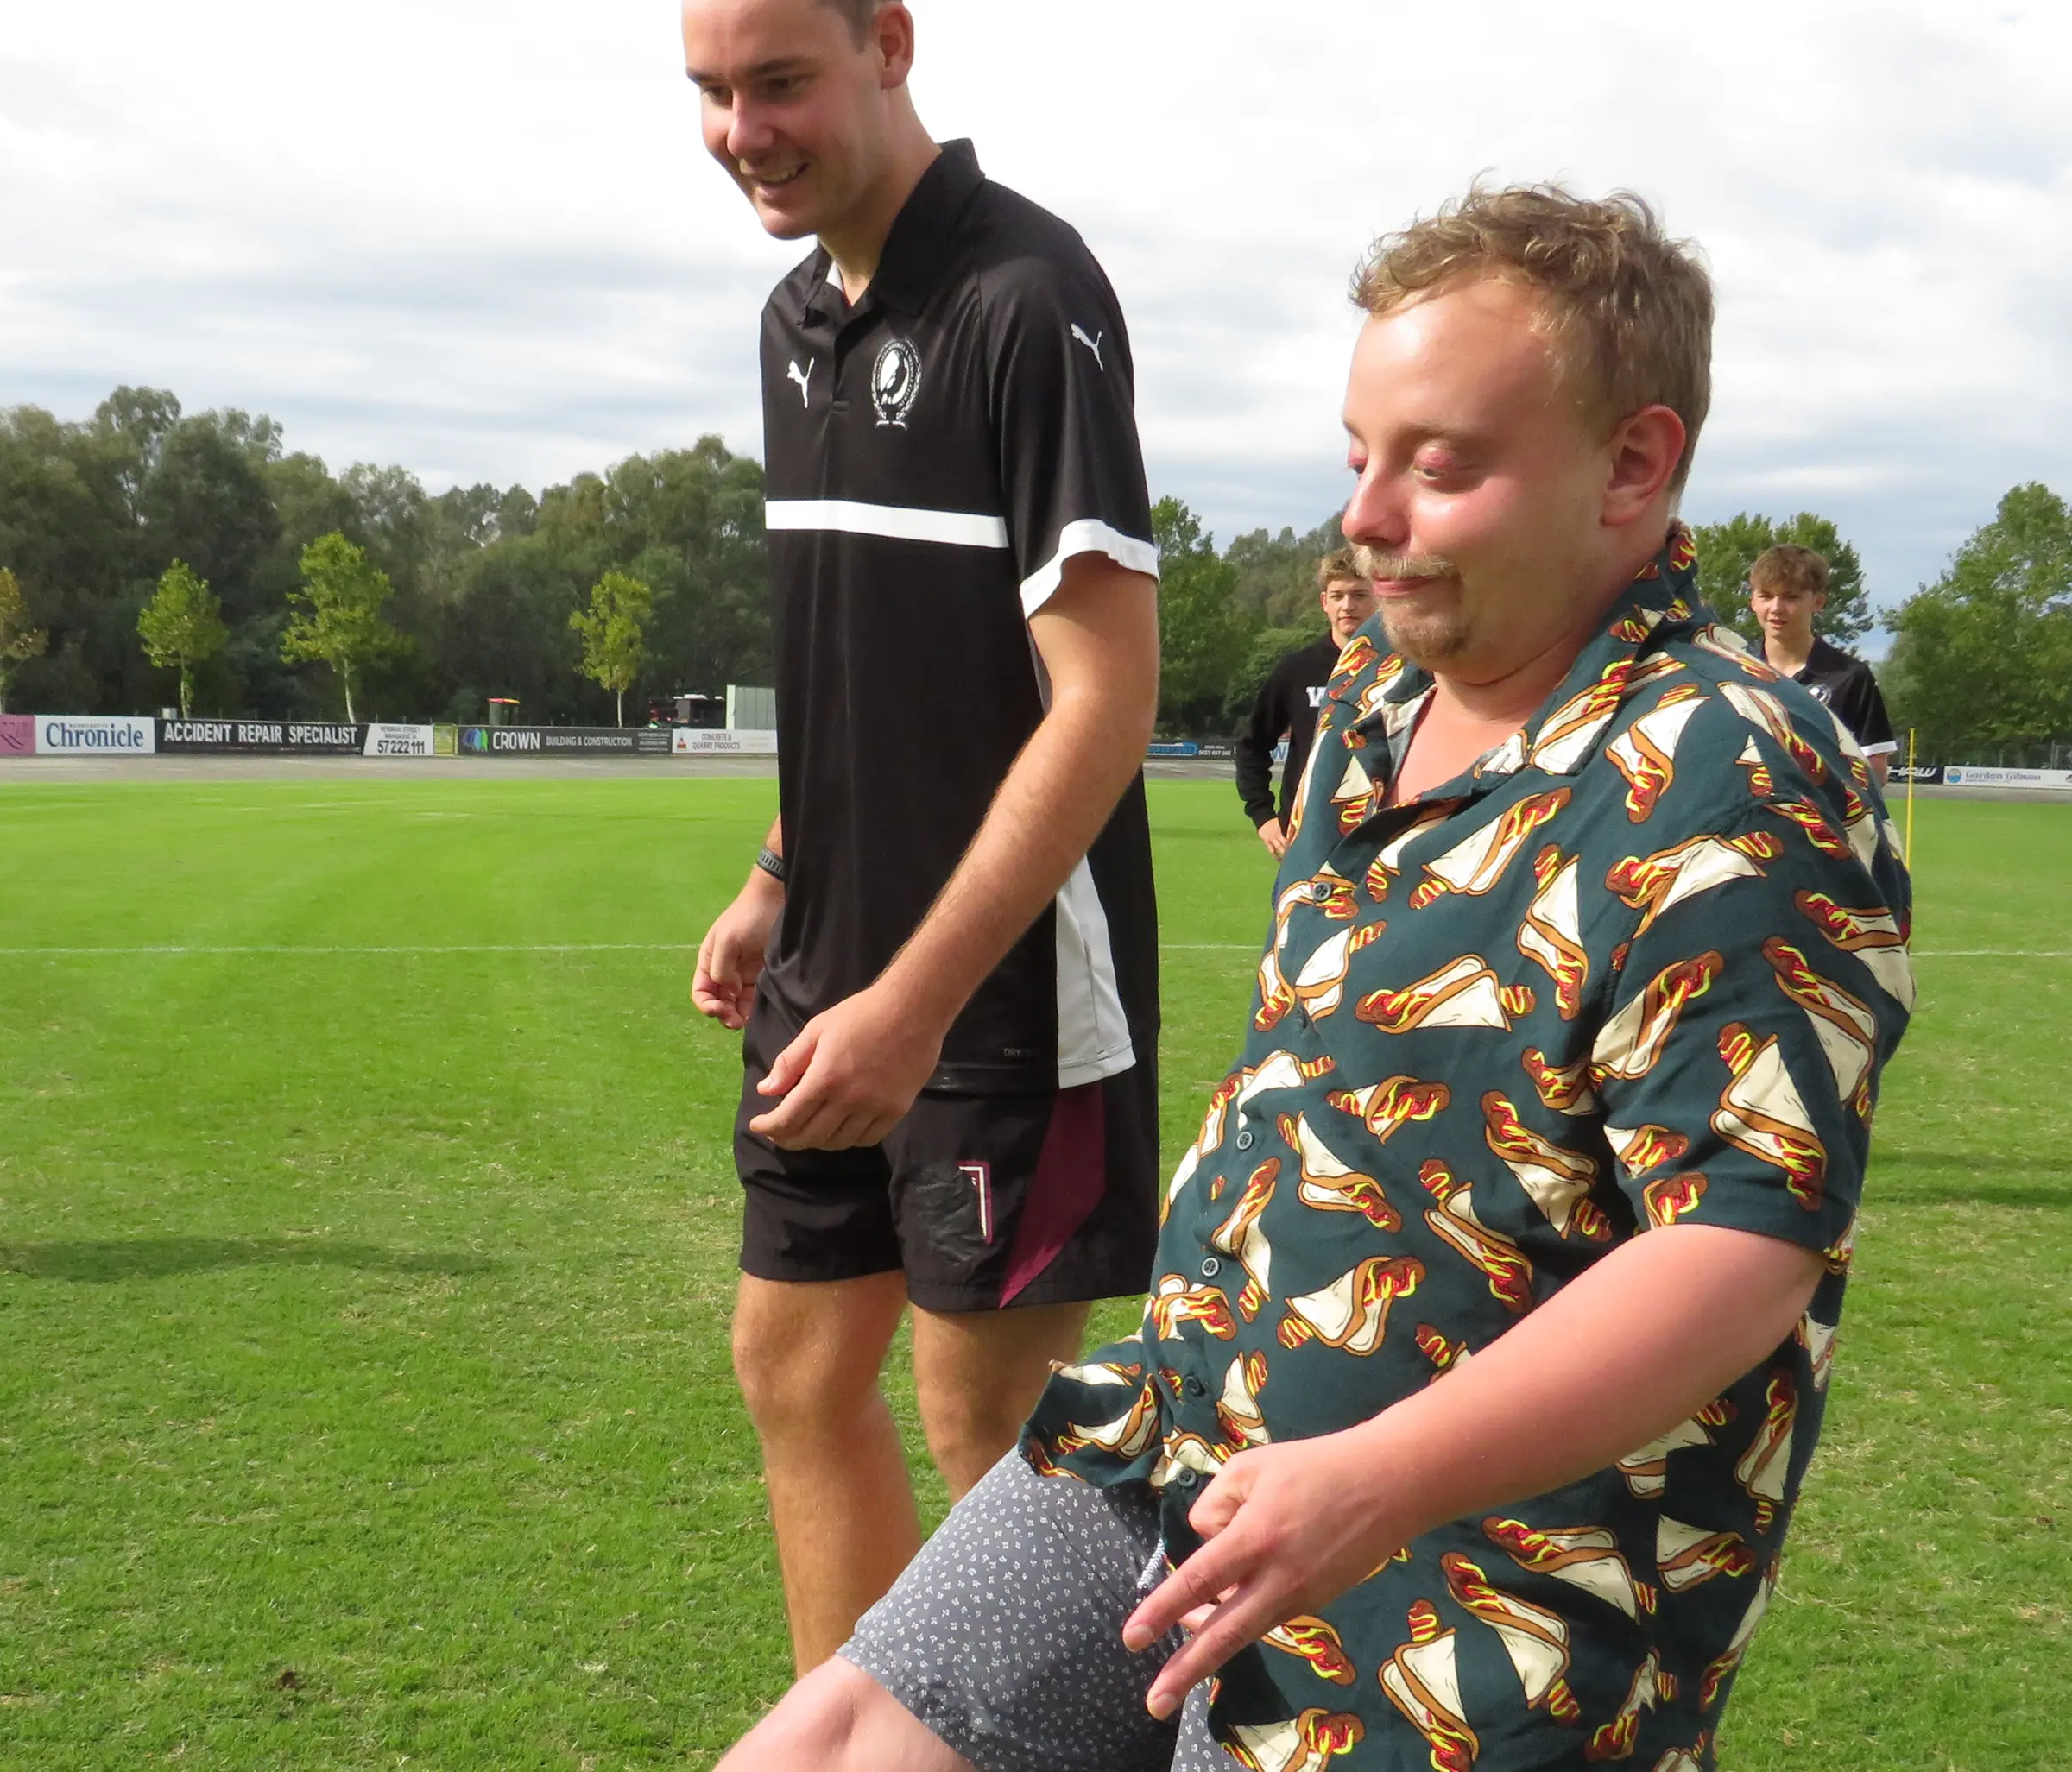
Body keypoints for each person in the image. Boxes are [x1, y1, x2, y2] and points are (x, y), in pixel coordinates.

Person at [720, 186, 1913, 1772]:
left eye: (1442, 465)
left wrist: (1377, 1477)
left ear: (1634, 464)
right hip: (1181, 1436)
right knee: (830, 1739)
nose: (1368, 515)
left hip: (1480, 1599)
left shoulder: (1738, 772)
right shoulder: (1373, 702)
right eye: (1361, 456)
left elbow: (1741, 1248)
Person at [680, 0, 1166, 1676]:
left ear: (888, 42)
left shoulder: (1026, 295)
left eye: (780, 82)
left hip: (1005, 995)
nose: (743, 132)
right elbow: (874, 667)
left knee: (992, 1444)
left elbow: (1102, 698)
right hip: (832, 971)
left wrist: (919, 1001)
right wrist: (779, 870)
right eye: (712, 93)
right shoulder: (791, 321)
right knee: (796, 1375)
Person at [1233, 550, 1373, 854]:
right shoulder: (1297, 670)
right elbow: (1251, 745)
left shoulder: (1404, 668)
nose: (1347, 605)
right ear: (1324, 602)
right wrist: (1263, 815)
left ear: (1378, 598)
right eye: (1337, 596)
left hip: (1380, 836)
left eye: (1359, 594)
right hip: (1307, 837)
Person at [1747, 542, 1896, 758]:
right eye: (1766, 596)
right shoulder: (1735, 671)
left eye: (1791, 597)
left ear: (1817, 602)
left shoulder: (1850, 677)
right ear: (1753, 601)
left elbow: (1875, 768)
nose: (1776, 608)